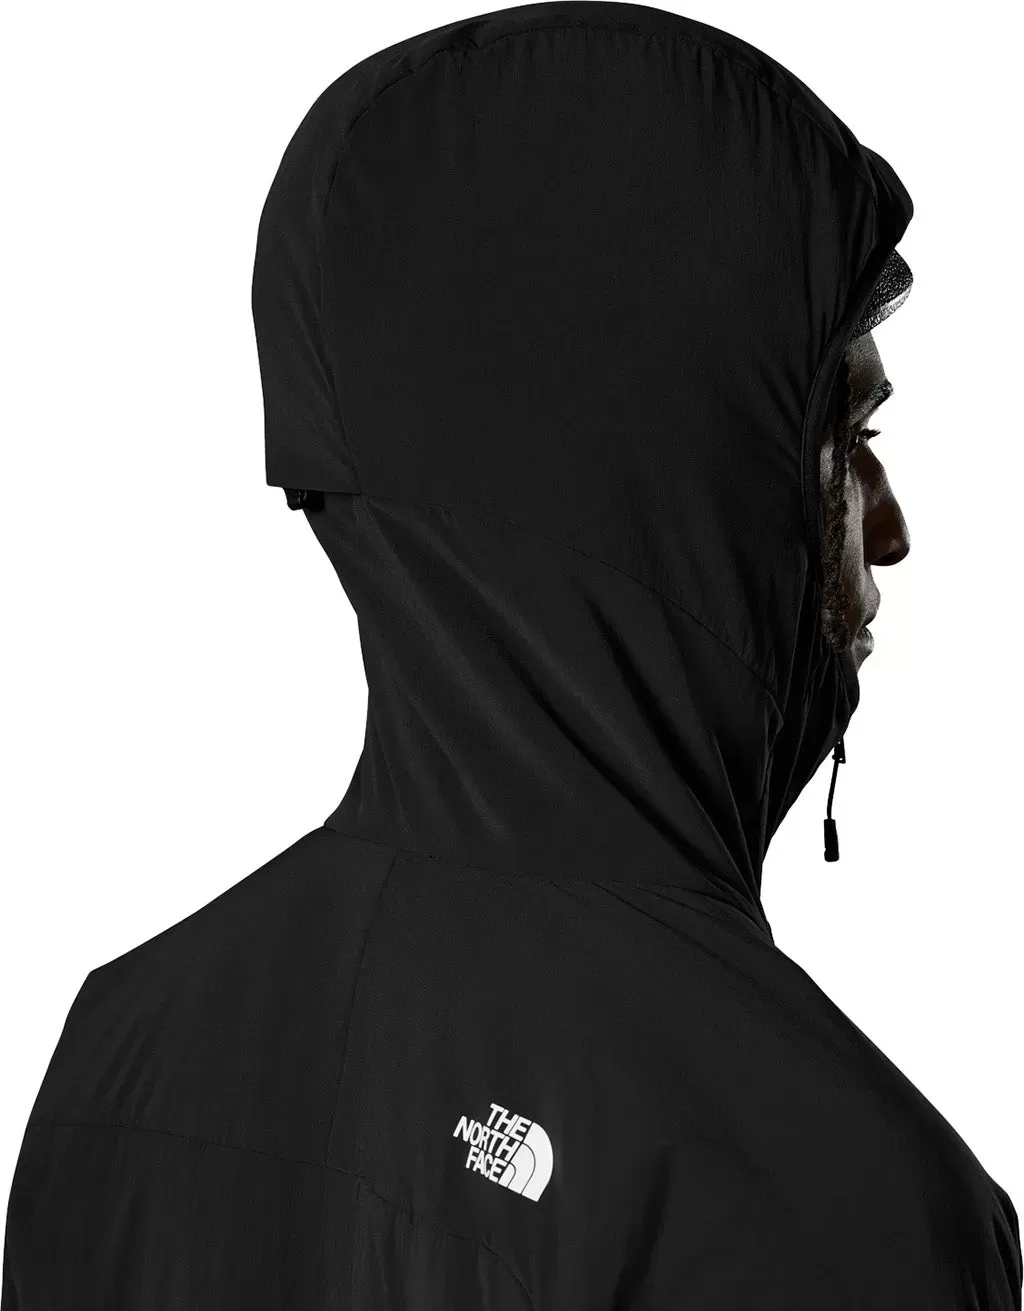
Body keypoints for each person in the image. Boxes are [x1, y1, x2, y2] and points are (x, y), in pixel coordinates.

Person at [3, 3, 1020, 1307]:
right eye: (847, 437)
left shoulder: (116, 1058)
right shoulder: (835, 1198)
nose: (891, 526)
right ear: (683, 483)